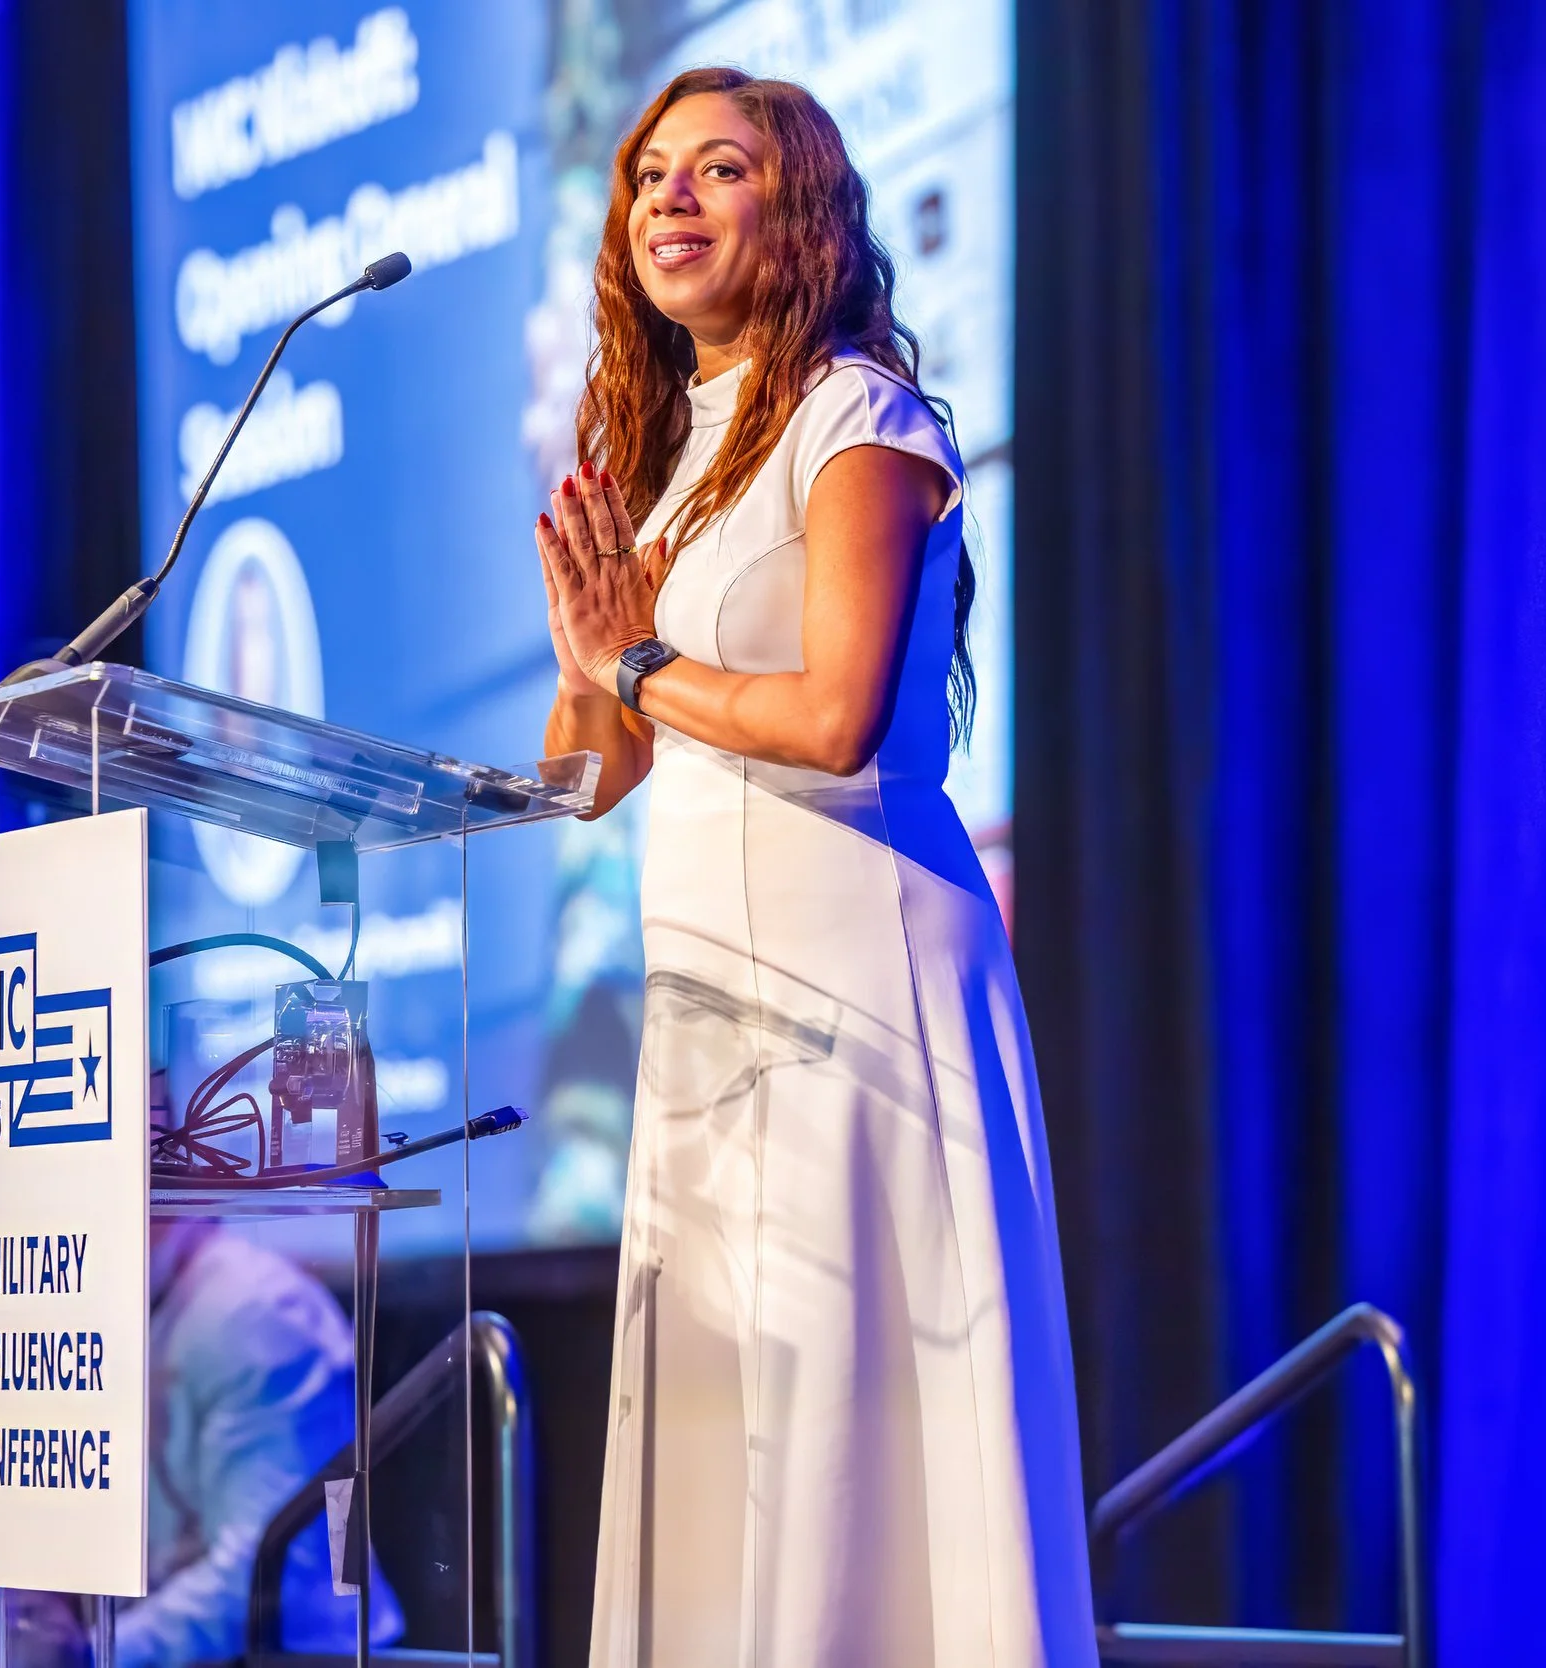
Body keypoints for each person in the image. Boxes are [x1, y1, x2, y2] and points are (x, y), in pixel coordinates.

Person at [535, 67, 1095, 1666]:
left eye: (718, 169)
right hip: (711, 1012)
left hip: (861, 992)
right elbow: (590, 782)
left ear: (805, 211)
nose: (669, 198)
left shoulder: (863, 416)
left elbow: (841, 718)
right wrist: (590, 651)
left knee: (861, 1421)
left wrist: (632, 656)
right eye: (649, 176)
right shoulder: (673, 460)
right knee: (741, 1437)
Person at [11, 1220, 401, 1666]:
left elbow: (272, 1570)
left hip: (302, 1654)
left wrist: (91, 1657)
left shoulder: (257, 1313)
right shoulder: (120, 1304)